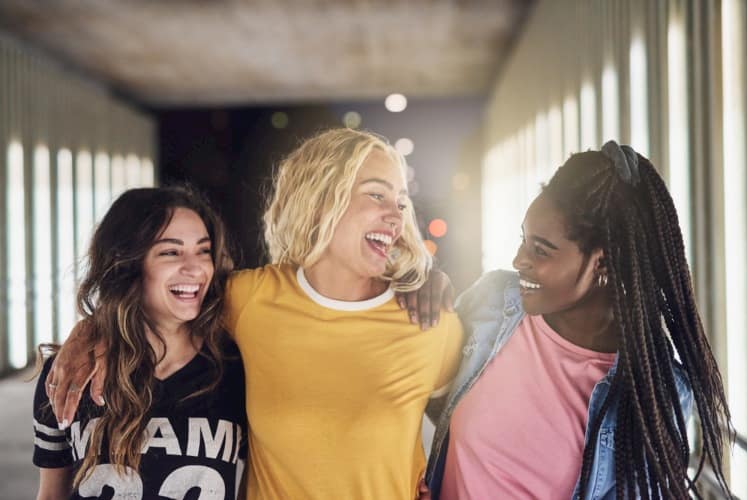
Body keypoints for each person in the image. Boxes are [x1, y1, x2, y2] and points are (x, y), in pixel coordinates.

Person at [44, 128, 464, 500]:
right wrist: (91, 329)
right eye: (377, 194)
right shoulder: (248, 299)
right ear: (320, 199)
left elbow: (467, 437)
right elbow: (158, 302)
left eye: (402, 201)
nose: (397, 215)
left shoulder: (430, 323)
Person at [426, 142, 733, 499]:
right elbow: (427, 394)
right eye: (523, 240)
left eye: (540, 250)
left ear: (601, 263)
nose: (518, 260)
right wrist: (424, 288)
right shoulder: (495, 300)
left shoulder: (654, 392)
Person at [33, 187, 247, 499]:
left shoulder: (234, 369)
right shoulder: (72, 373)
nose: (195, 267)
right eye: (170, 252)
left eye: (203, 250)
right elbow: (51, 495)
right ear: (129, 264)